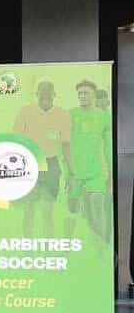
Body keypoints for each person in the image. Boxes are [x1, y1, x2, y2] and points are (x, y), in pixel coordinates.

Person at [13, 80, 73, 237]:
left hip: (51, 165)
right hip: (28, 165)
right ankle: (28, 249)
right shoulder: (26, 111)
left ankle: (47, 249)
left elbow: (66, 144)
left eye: (49, 92)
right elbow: (15, 140)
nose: (45, 95)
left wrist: (71, 171)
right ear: (37, 94)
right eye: (42, 92)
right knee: (28, 210)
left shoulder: (62, 114)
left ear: (54, 95)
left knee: (47, 211)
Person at [68, 79, 113, 240]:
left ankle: (103, 245)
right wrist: (68, 172)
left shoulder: (104, 117)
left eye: (85, 92)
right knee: (77, 212)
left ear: (94, 94)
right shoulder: (70, 115)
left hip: (96, 173)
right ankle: (74, 248)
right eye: (79, 93)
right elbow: (63, 145)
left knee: (97, 206)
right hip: (75, 173)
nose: (82, 96)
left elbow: (108, 147)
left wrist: (110, 172)